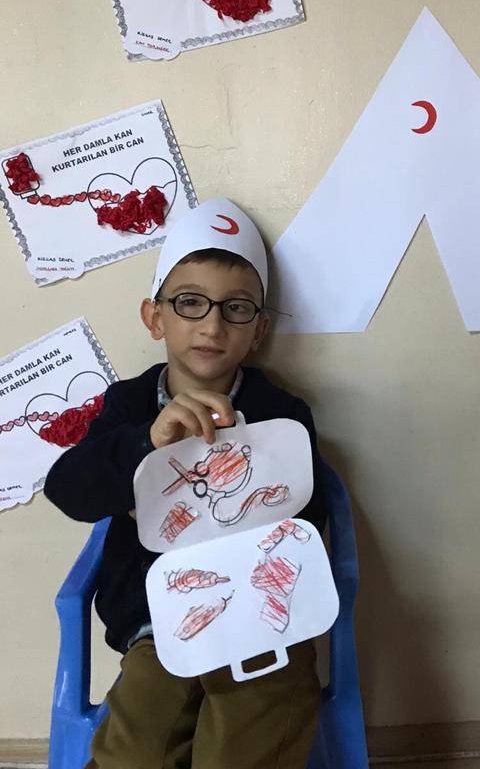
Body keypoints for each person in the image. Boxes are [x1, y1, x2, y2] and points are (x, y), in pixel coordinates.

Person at [45, 197, 326, 769]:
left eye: (236, 309)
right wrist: (146, 447)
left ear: (259, 330)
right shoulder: (128, 406)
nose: (212, 325)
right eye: (190, 302)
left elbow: (308, 519)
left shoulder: (282, 414)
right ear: (155, 318)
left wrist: (252, 507)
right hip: (157, 623)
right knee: (136, 747)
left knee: (256, 726)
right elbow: (67, 488)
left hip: (260, 620)